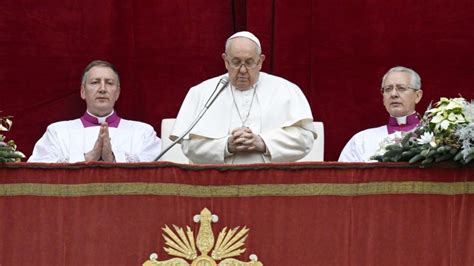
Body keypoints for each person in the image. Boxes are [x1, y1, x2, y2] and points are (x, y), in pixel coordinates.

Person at [170, 31, 317, 164]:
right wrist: (226, 146)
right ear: (225, 61)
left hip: (271, 183)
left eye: (249, 62)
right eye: (235, 62)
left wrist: (262, 142)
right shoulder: (202, 92)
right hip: (217, 183)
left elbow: (305, 140)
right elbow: (188, 145)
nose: (242, 70)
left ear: (260, 62)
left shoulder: (286, 90)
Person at [28, 60, 161, 163]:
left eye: (109, 83)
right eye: (95, 82)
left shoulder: (143, 132)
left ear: (118, 93)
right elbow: (37, 172)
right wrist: (86, 158)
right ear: (82, 92)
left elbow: (160, 170)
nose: (102, 89)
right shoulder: (57, 132)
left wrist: (113, 158)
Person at [338, 66, 423, 162]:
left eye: (401, 88)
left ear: (417, 96)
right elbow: (344, 176)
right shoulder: (361, 140)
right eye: (388, 89)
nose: (393, 94)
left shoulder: (436, 138)